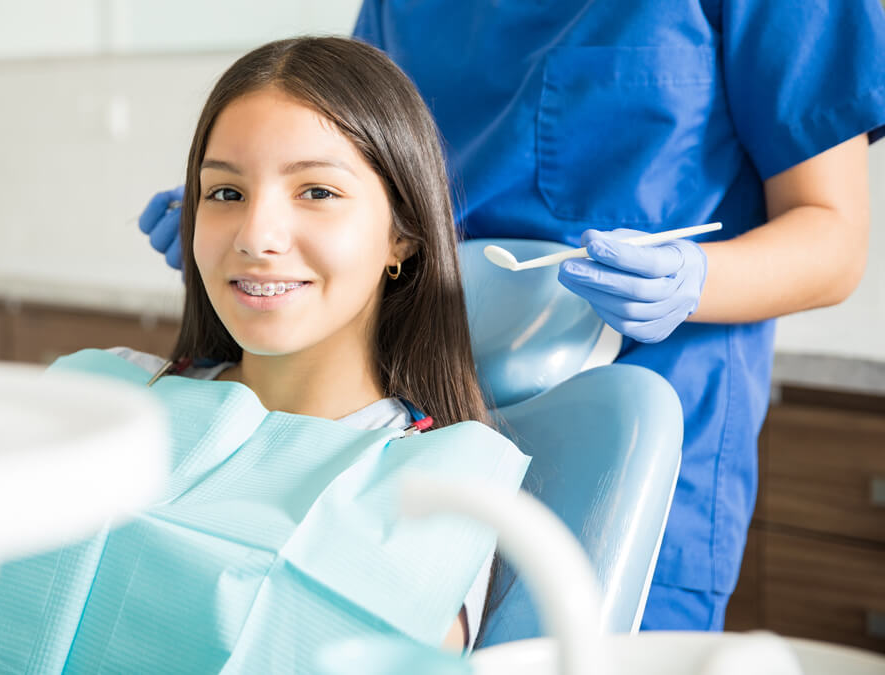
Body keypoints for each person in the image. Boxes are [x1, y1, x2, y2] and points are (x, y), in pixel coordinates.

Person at [138, 1, 885, 633]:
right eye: (221, 191)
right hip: (402, 425)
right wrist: (252, 235)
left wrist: (696, 280)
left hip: (638, 435)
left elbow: (833, 237)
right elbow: (352, 157)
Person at [0, 37, 530, 673]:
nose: (257, 236)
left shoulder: (434, 492)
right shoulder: (102, 395)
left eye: (317, 192)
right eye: (225, 194)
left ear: (401, 234)